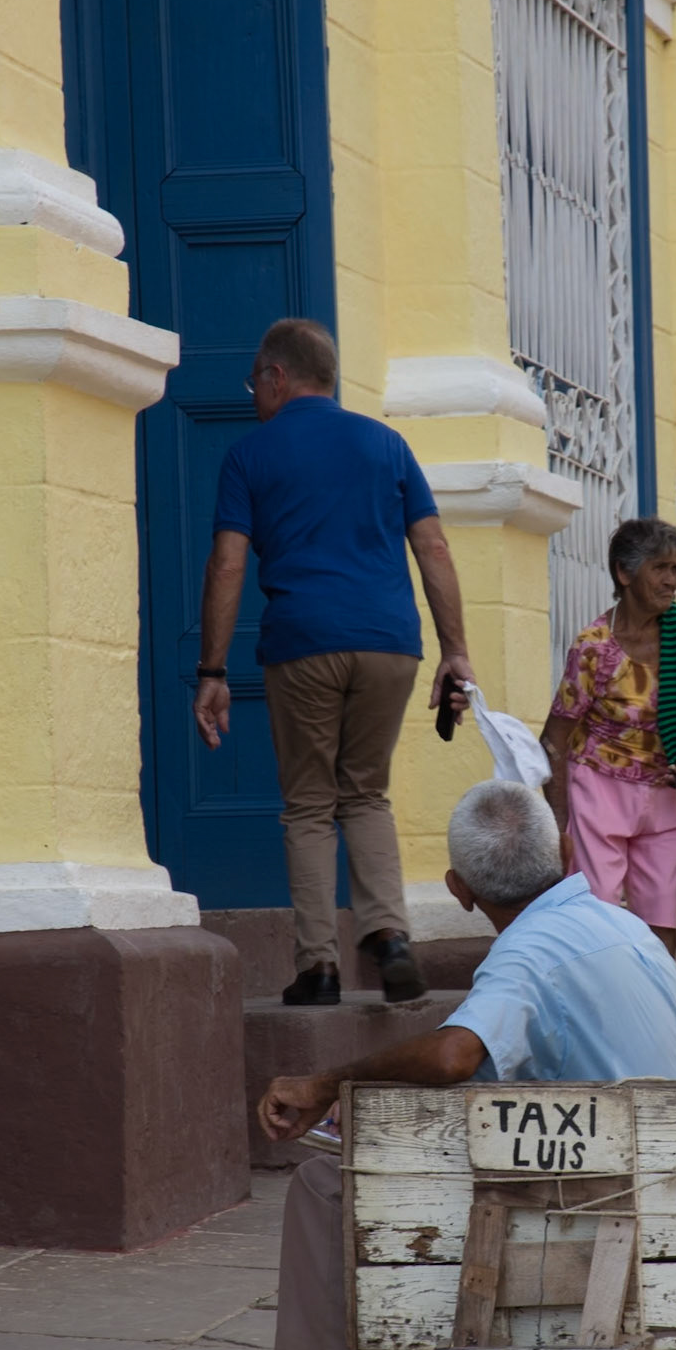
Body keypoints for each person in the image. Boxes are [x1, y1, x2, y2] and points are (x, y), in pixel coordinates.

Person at [229, 780, 676, 1350]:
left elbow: (455, 1055)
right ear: (567, 851)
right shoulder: (627, 929)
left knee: (330, 1186)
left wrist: (325, 1084)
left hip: (598, 1222)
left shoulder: (529, 953)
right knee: (445, 1173)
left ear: (458, 890)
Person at [193, 318, 475, 1007]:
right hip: (390, 643)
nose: (254, 397)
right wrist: (455, 651)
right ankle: (391, 937)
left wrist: (212, 671)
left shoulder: (249, 455)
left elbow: (228, 564)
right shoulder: (388, 444)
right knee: (366, 794)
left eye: (255, 384)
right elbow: (434, 548)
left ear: (277, 377)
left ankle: (319, 968)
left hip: (304, 643)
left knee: (311, 805)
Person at [540, 518, 676, 955]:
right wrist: (558, 825)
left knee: (661, 918)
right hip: (599, 790)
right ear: (624, 573)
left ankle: (658, 996)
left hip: (664, 793)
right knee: (598, 916)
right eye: (660, 568)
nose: (671, 581)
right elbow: (554, 739)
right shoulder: (594, 647)